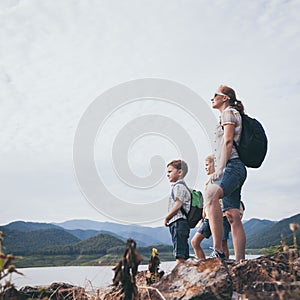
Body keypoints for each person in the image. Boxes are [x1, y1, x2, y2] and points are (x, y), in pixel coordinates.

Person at [205, 85, 247, 261]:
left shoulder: (228, 113)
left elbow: (228, 141)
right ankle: (240, 261)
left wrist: (220, 168)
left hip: (232, 167)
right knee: (232, 214)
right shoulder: (228, 114)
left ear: (225, 98)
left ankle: (218, 250)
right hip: (233, 167)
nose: (212, 97)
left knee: (210, 195)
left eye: (216, 95)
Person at [191, 154, 231, 259]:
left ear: (215, 164)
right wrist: (202, 218)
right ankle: (202, 264)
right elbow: (207, 204)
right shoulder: (208, 183)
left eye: (207, 165)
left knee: (223, 243)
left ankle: (225, 264)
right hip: (208, 218)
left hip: (221, 216)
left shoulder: (222, 178)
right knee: (195, 242)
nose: (205, 167)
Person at [164, 159, 191, 264]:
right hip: (182, 222)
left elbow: (178, 205)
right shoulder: (182, 186)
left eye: (170, 171)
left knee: (179, 253)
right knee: (183, 252)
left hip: (178, 222)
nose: (168, 174)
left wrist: (167, 217)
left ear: (180, 172)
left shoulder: (178, 186)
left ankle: (178, 276)